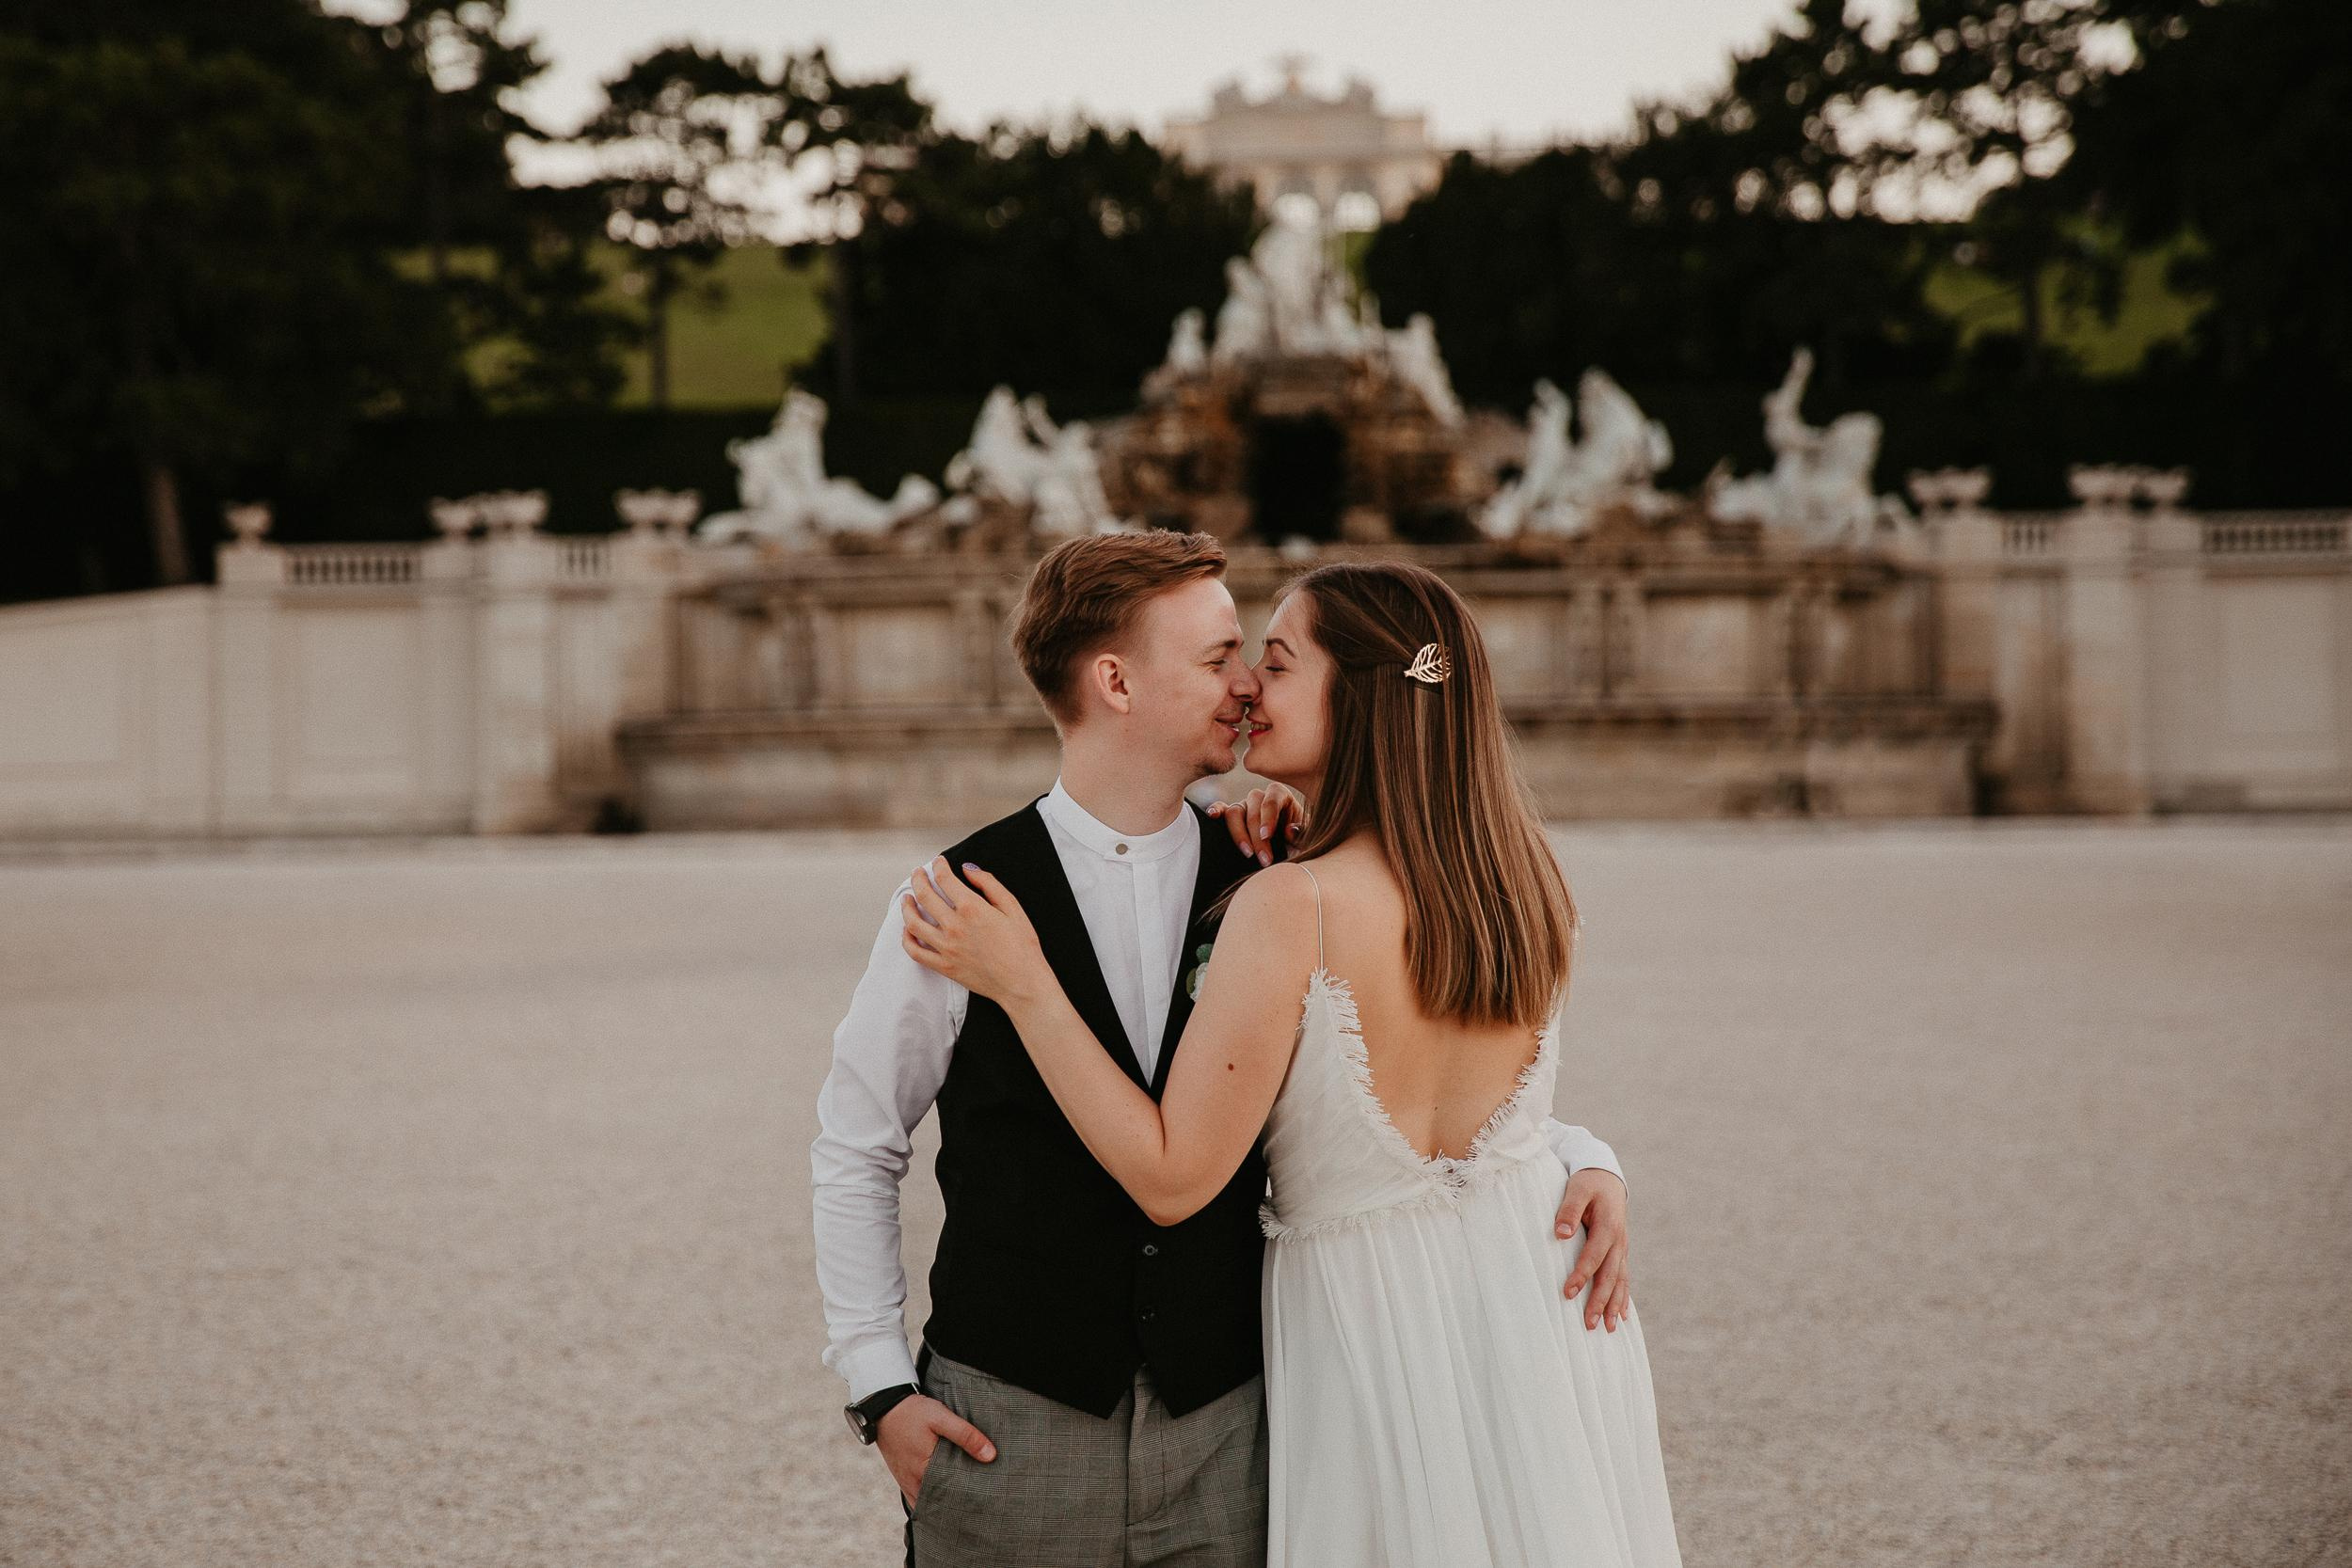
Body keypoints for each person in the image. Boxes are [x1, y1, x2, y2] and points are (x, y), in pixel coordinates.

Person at [813, 533, 1638, 1567]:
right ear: (1115, 679)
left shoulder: (1276, 872)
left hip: (1241, 1430)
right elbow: (857, 1139)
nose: (1246, 682)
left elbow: (1395, 1081)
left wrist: (1575, 1149)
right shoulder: (958, 900)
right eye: (1218, 657)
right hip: (1011, 1429)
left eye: (1261, 657)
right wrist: (878, 1383)